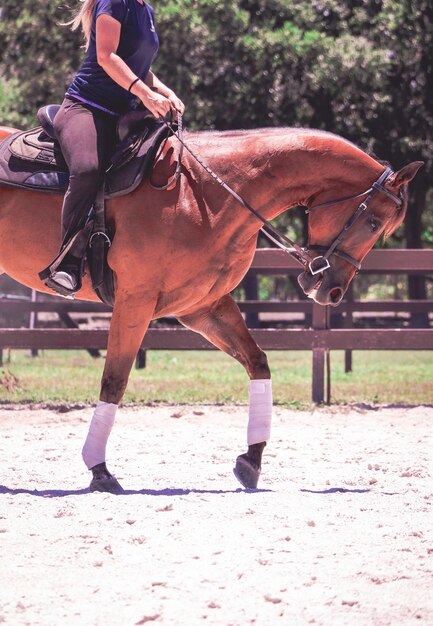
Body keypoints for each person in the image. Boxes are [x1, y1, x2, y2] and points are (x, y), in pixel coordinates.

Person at [43, 0, 184, 296]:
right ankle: (67, 261)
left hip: (123, 113)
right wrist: (147, 96)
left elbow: (138, 66)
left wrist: (165, 91)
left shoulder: (146, 11)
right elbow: (107, 57)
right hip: (86, 108)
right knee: (88, 170)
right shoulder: (115, 1)